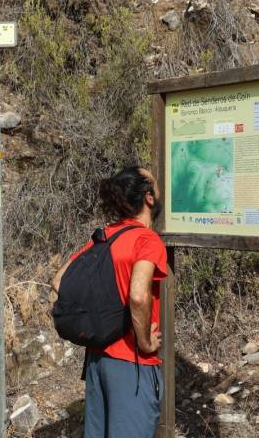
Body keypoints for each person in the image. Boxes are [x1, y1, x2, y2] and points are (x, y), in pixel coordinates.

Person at [52, 166, 167, 438]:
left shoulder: (107, 235)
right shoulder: (147, 240)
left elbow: (59, 280)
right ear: (149, 197)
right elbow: (138, 295)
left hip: (97, 359)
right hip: (132, 365)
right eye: (154, 183)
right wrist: (145, 342)